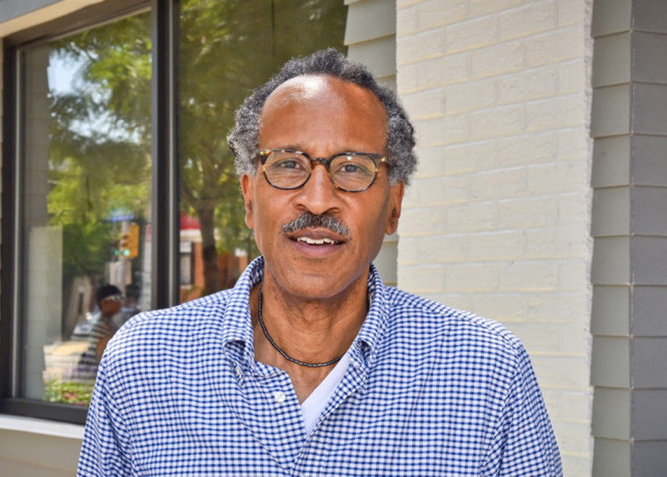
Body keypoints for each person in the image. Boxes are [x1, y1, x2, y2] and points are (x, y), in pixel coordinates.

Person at [78, 49, 562, 476]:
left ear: (393, 204)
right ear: (249, 198)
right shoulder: (142, 364)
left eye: (352, 168)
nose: (317, 199)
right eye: (288, 164)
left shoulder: (488, 372)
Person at [74, 284, 123, 379]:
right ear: (104, 302)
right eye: (117, 298)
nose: (120, 302)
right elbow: (101, 356)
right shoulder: (102, 326)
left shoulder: (110, 324)